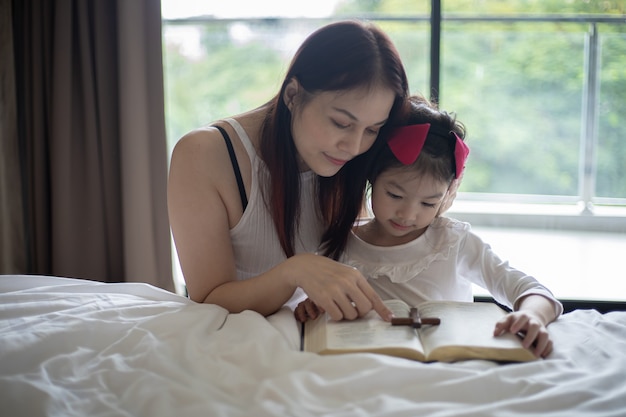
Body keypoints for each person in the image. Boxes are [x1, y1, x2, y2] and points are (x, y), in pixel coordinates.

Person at [168, 20, 436, 322]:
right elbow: (208, 299)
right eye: (341, 123)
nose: (353, 146)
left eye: (373, 129)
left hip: (316, 332)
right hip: (234, 337)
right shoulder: (206, 154)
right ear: (293, 95)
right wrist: (294, 272)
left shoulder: (355, 158)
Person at [295, 96, 563, 358]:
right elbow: (316, 301)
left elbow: (532, 291)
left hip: (452, 362)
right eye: (395, 195)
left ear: (447, 194)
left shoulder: (451, 242)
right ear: (372, 177)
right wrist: (314, 306)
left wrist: (532, 315)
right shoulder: (340, 241)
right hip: (373, 364)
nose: (408, 214)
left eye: (428, 203)